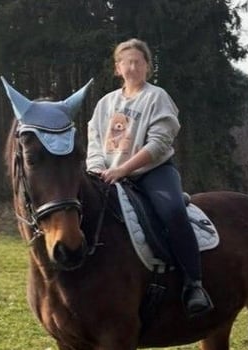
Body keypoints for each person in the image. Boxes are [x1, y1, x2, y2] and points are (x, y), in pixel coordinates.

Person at [86, 38, 213, 317]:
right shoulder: (106, 103)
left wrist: (123, 170)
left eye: (138, 62)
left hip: (152, 173)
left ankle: (193, 284)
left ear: (147, 66)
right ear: (117, 68)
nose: (132, 67)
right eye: (126, 62)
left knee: (173, 211)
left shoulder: (157, 97)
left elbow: (158, 144)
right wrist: (96, 169)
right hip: (107, 174)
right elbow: (94, 140)